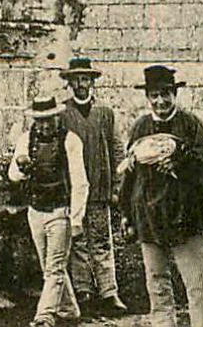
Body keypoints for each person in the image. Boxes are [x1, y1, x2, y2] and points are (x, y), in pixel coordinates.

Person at [116, 65, 203, 327]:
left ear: (174, 94)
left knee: (196, 285)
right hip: (149, 216)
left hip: (184, 215)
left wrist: (179, 160)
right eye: (154, 95)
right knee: (157, 284)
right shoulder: (141, 127)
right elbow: (129, 172)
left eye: (166, 94)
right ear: (147, 97)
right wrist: (126, 213)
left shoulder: (189, 123)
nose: (160, 101)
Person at [7, 87, 89, 327]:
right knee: (50, 266)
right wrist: (22, 168)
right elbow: (12, 174)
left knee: (54, 267)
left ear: (57, 117)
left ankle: (44, 317)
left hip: (59, 211)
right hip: (36, 211)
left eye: (48, 120)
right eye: (39, 121)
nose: (43, 126)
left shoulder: (70, 141)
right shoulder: (26, 140)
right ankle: (69, 308)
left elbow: (80, 182)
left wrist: (76, 219)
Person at [59, 56, 130, 316]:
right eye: (76, 79)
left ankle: (109, 292)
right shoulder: (63, 114)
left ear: (92, 82)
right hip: (73, 192)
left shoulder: (105, 113)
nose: (81, 84)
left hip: (100, 190)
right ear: (70, 82)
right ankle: (83, 290)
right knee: (77, 241)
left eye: (86, 79)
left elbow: (116, 148)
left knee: (101, 241)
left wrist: (116, 186)